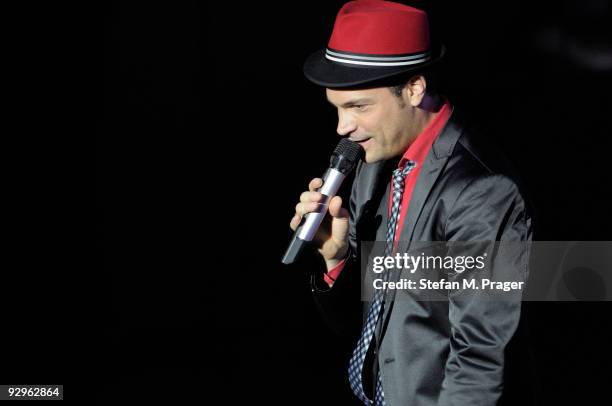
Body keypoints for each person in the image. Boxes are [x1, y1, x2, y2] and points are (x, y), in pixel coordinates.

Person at [289, 1, 535, 405]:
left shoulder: (483, 190)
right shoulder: (373, 162)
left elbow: (481, 356)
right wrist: (336, 261)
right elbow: (368, 324)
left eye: (358, 107)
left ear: (414, 88)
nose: (342, 127)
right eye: (336, 107)